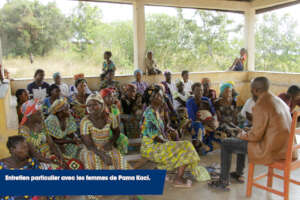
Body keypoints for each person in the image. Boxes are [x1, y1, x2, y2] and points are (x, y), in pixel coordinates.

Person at [209, 77, 297, 191]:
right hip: (287, 150)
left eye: (251, 91)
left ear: (255, 90)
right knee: (242, 138)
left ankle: (223, 181)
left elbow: (255, 137)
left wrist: (242, 134)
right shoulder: (277, 100)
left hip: (272, 151)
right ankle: (238, 173)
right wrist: (247, 132)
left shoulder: (262, 104)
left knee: (227, 143)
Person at [140, 86, 210, 187]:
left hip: (155, 144)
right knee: (186, 147)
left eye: (162, 95)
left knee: (183, 146)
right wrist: (169, 143)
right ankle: (178, 179)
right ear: (152, 99)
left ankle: (158, 172)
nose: (162, 98)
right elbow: (155, 137)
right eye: (159, 96)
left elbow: (159, 132)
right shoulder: (149, 114)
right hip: (151, 147)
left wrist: (168, 135)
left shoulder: (154, 111)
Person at [0, 136, 56, 200]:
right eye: (23, 148)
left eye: (27, 147)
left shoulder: (31, 162)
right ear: (13, 150)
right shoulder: (2, 165)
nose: (27, 150)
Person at [19, 100, 65, 169]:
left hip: (49, 156)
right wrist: (53, 162)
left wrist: (60, 156)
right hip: (37, 162)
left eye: (41, 112)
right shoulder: (23, 131)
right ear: (30, 116)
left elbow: (51, 144)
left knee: (73, 164)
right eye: (38, 113)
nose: (42, 115)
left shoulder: (41, 124)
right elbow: (34, 154)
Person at [44, 99, 82, 164]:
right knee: (59, 149)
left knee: (75, 146)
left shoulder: (68, 117)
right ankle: (64, 163)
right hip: (52, 144)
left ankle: (71, 162)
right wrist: (72, 141)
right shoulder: (51, 120)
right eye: (67, 109)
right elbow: (52, 140)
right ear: (60, 111)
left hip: (63, 141)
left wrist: (74, 137)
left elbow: (70, 132)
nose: (69, 111)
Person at [186, 83, 217, 153]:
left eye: (201, 90)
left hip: (207, 120)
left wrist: (213, 121)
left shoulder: (206, 99)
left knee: (215, 128)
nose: (200, 92)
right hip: (194, 122)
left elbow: (213, 112)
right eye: (197, 90)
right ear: (193, 91)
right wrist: (206, 122)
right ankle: (198, 143)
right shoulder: (190, 102)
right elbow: (192, 117)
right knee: (198, 125)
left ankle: (205, 146)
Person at [100, 88, 129, 154]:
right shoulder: (100, 109)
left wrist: (115, 137)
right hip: (102, 133)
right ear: (103, 98)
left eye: (113, 96)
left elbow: (117, 124)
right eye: (110, 96)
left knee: (124, 139)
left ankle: (120, 156)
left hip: (113, 132)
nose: (112, 98)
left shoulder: (114, 108)